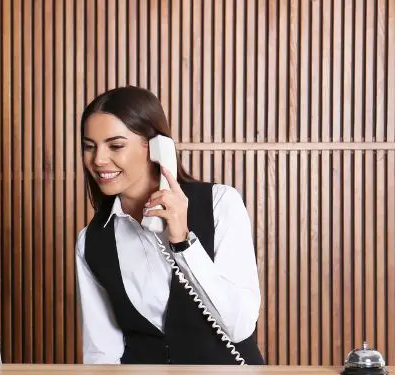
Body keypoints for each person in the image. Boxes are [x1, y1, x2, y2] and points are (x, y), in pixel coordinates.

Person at [75, 86, 265, 365]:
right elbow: (101, 352)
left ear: (155, 148)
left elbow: (239, 325)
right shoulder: (91, 242)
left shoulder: (221, 204)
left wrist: (183, 242)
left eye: (115, 145)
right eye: (89, 146)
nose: (98, 160)